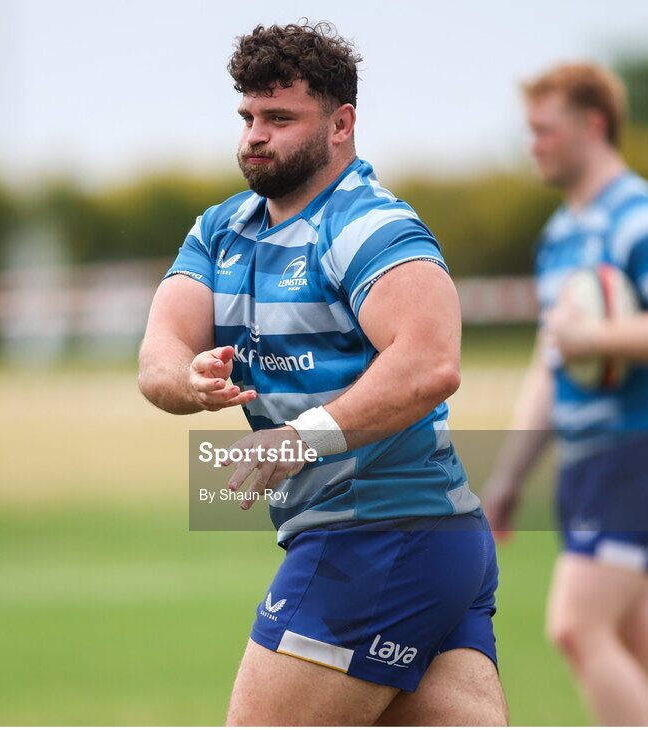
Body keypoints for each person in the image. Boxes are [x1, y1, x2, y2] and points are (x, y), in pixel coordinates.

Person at [137, 21, 507, 726]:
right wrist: (188, 380)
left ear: (342, 124)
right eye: (247, 116)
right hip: (421, 546)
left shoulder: (370, 228)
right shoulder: (221, 232)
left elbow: (430, 363)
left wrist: (301, 437)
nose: (254, 134)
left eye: (280, 118)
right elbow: (158, 352)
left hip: (379, 536)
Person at [483, 63, 648, 726]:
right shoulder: (559, 235)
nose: (534, 144)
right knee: (639, 638)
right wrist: (510, 473)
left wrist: (598, 337)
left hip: (640, 453)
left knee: (575, 627)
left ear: (594, 124)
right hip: (588, 462)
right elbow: (548, 365)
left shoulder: (642, 218)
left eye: (545, 130)